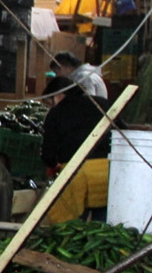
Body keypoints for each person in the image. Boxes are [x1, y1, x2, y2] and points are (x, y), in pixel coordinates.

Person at [39, 74, 113, 223]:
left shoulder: (57, 112)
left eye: (49, 103)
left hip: (76, 175)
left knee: (72, 228)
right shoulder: (104, 104)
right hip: (108, 174)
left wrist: (53, 165)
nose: (50, 107)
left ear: (58, 96)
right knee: (104, 228)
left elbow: (48, 153)